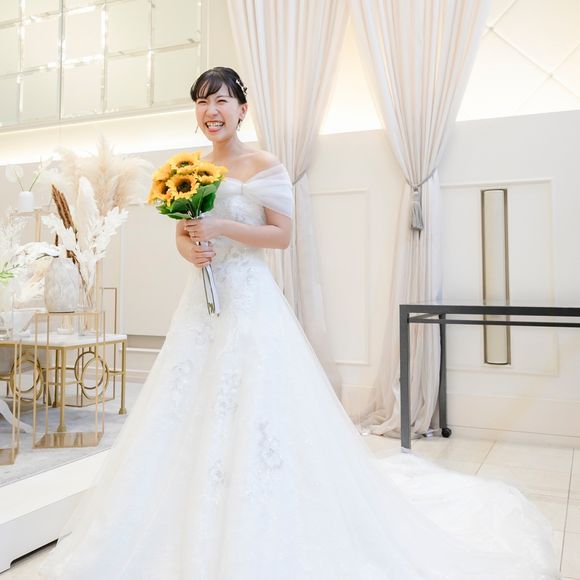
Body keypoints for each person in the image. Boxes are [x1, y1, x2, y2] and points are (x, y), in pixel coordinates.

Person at [38, 67, 559, 579]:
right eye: (201, 102)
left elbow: (281, 235)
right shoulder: (187, 168)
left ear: (242, 109)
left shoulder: (265, 165)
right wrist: (189, 248)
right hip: (201, 302)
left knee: (258, 402)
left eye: (221, 101)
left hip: (250, 300)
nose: (211, 111)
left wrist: (223, 227)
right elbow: (183, 231)